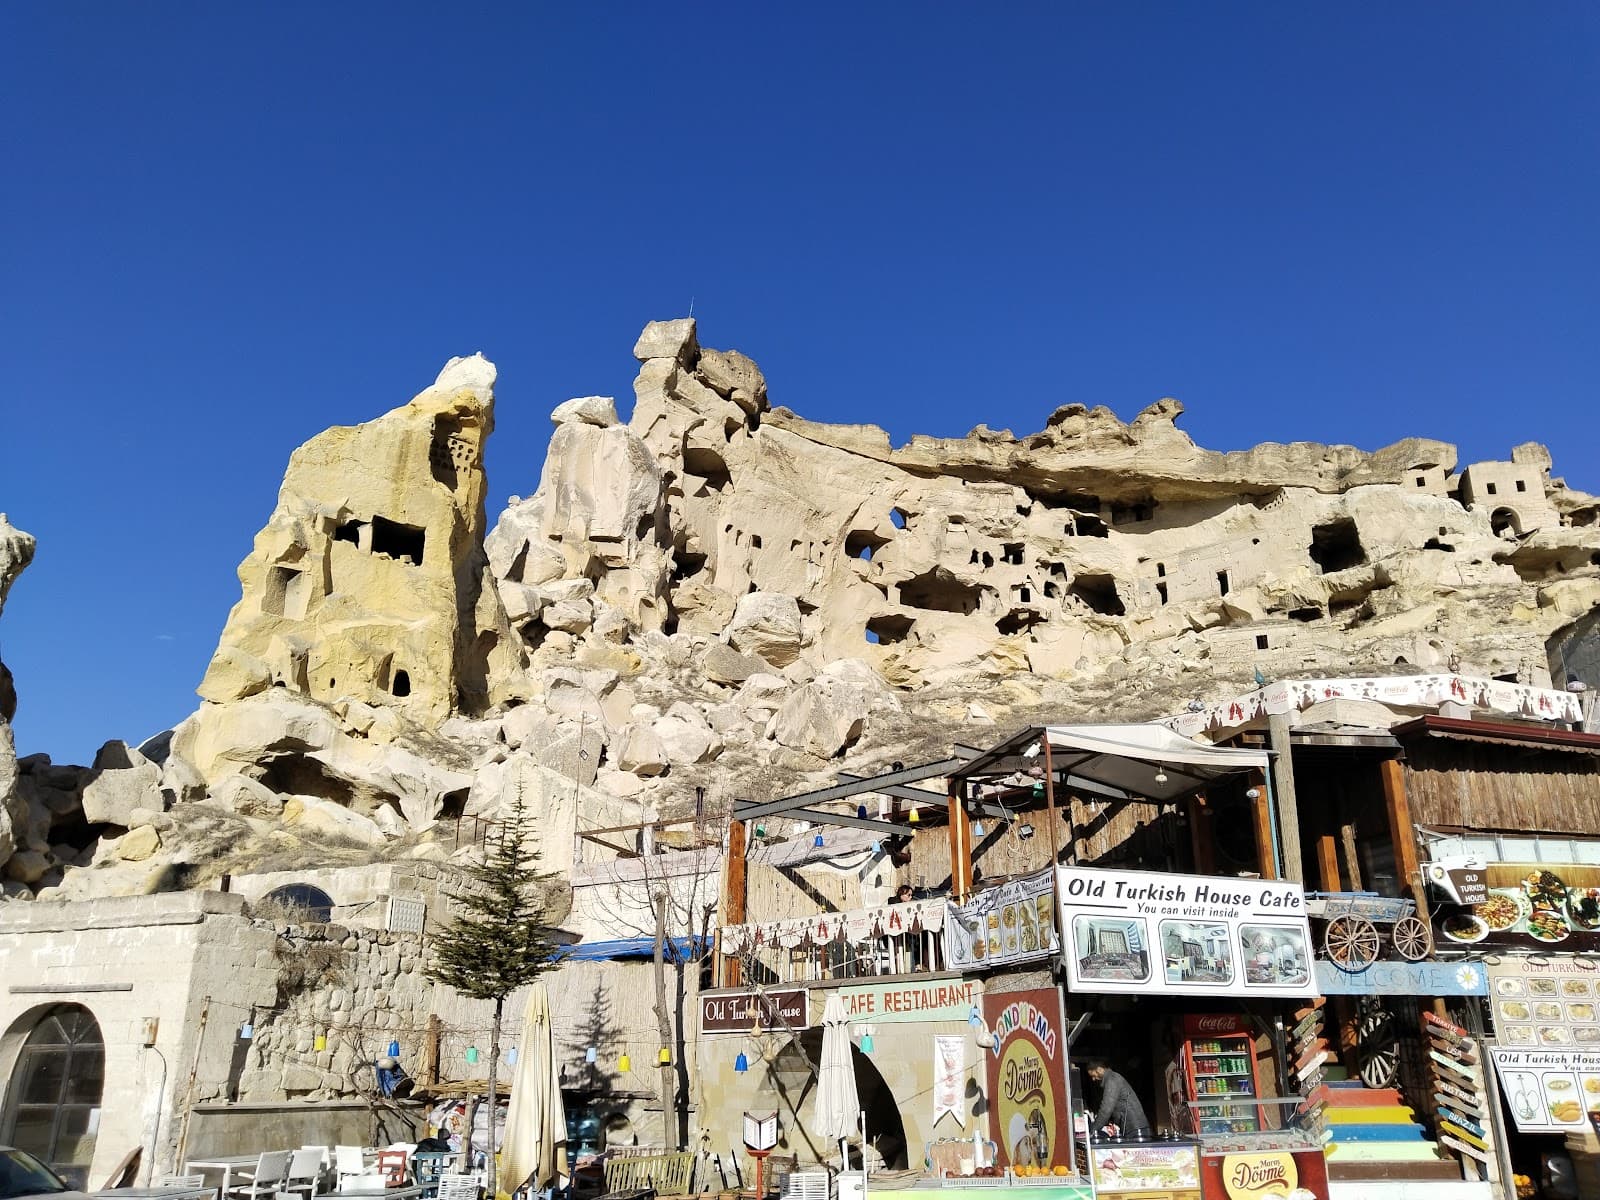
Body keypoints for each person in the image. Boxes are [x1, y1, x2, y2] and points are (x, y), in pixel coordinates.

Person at [1084, 1057, 1151, 1139]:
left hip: (1134, 1128)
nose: (1093, 1079)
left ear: (1100, 1069)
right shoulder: (1112, 1079)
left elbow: (1106, 1109)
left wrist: (1092, 1131)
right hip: (1133, 1127)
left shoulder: (1112, 1080)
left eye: (1094, 1075)